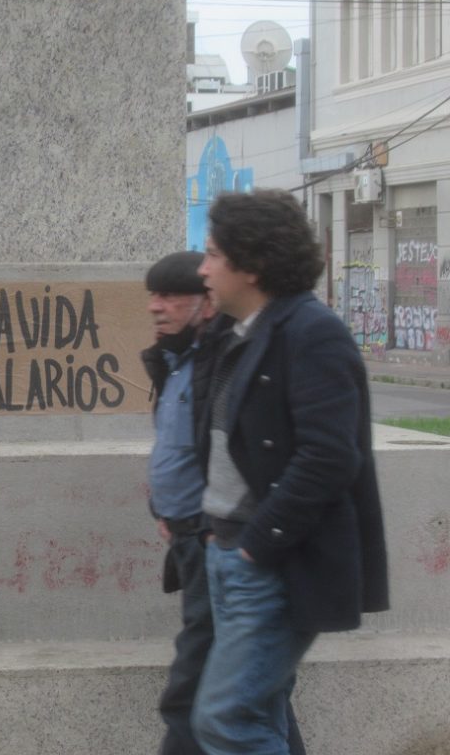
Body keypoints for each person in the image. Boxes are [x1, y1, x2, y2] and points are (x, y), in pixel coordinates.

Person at [191, 189, 389, 754]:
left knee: (226, 719)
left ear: (251, 265)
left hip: (271, 564)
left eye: (213, 255)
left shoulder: (311, 332)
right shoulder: (238, 332)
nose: (202, 269)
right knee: (260, 712)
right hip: (228, 553)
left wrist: (258, 545)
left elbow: (329, 456)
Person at [142, 251, 304, 755]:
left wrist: (214, 526)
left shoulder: (223, 361)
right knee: (249, 698)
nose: (155, 306)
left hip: (219, 540)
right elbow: (179, 446)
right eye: (153, 295)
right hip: (192, 539)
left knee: (198, 692)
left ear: (207, 304)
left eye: (170, 296)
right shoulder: (175, 361)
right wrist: (163, 508)